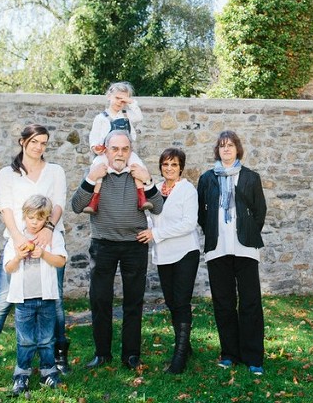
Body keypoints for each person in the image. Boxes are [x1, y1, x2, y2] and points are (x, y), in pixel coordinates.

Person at [0, 124, 71, 387]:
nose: (39, 147)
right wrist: (18, 238)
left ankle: (57, 358)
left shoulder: (55, 171)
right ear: (23, 142)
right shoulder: (7, 174)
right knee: (1, 302)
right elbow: (6, 208)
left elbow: (58, 203)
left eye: (44, 143)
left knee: (53, 301)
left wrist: (47, 229)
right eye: (35, 142)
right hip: (17, 241)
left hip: (49, 240)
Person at [72, 129, 164, 369]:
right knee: (100, 300)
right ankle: (102, 353)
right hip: (103, 245)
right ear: (106, 150)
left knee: (133, 302)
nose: (120, 153)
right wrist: (91, 179)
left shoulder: (138, 172)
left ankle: (131, 355)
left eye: (125, 148)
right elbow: (76, 206)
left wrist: (149, 181)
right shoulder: (97, 172)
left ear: (130, 151)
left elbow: (158, 208)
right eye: (115, 148)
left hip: (135, 246)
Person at [197, 131, 267, 375]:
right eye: (222, 146)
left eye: (231, 145)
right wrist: (215, 232)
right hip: (218, 249)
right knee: (224, 303)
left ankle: (253, 357)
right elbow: (202, 216)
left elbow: (260, 212)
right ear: (217, 150)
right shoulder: (207, 179)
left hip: (245, 247)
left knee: (250, 303)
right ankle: (229, 353)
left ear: (238, 149)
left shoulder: (251, 177)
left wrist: (246, 231)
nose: (226, 149)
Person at [137, 148, 200, 374]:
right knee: (172, 302)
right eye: (165, 164)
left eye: (174, 164)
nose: (169, 168)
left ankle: (179, 357)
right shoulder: (154, 191)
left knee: (181, 302)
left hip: (185, 253)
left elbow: (189, 224)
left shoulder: (187, 190)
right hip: (164, 255)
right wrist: (149, 230)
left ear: (181, 167)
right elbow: (151, 218)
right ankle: (187, 344)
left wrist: (156, 234)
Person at [3, 195, 67, 396]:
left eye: (39, 219)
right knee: (25, 340)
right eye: (30, 217)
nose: (34, 222)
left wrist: (44, 254)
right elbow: (8, 267)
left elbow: (61, 261)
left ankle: (49, 372)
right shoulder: (17, 238)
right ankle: (21, 375)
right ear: (24, 216)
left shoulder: (53, 236)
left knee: (47, 339)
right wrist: (18, 257)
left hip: (46, 297)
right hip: (23, 300)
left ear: (46, 218)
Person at [85, 81, 152, 213]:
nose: (119, 102)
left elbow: (139, 117)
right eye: (117, 98)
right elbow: (94, 137)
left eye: (123, 100)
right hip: (106, 153)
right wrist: (95, 147)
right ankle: (94, 200)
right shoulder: (101, 118)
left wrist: (130, 101)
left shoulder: (127, 116)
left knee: (138, 166)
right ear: (109, 96)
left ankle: (142, 198)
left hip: (126, 152)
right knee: (97, 168)